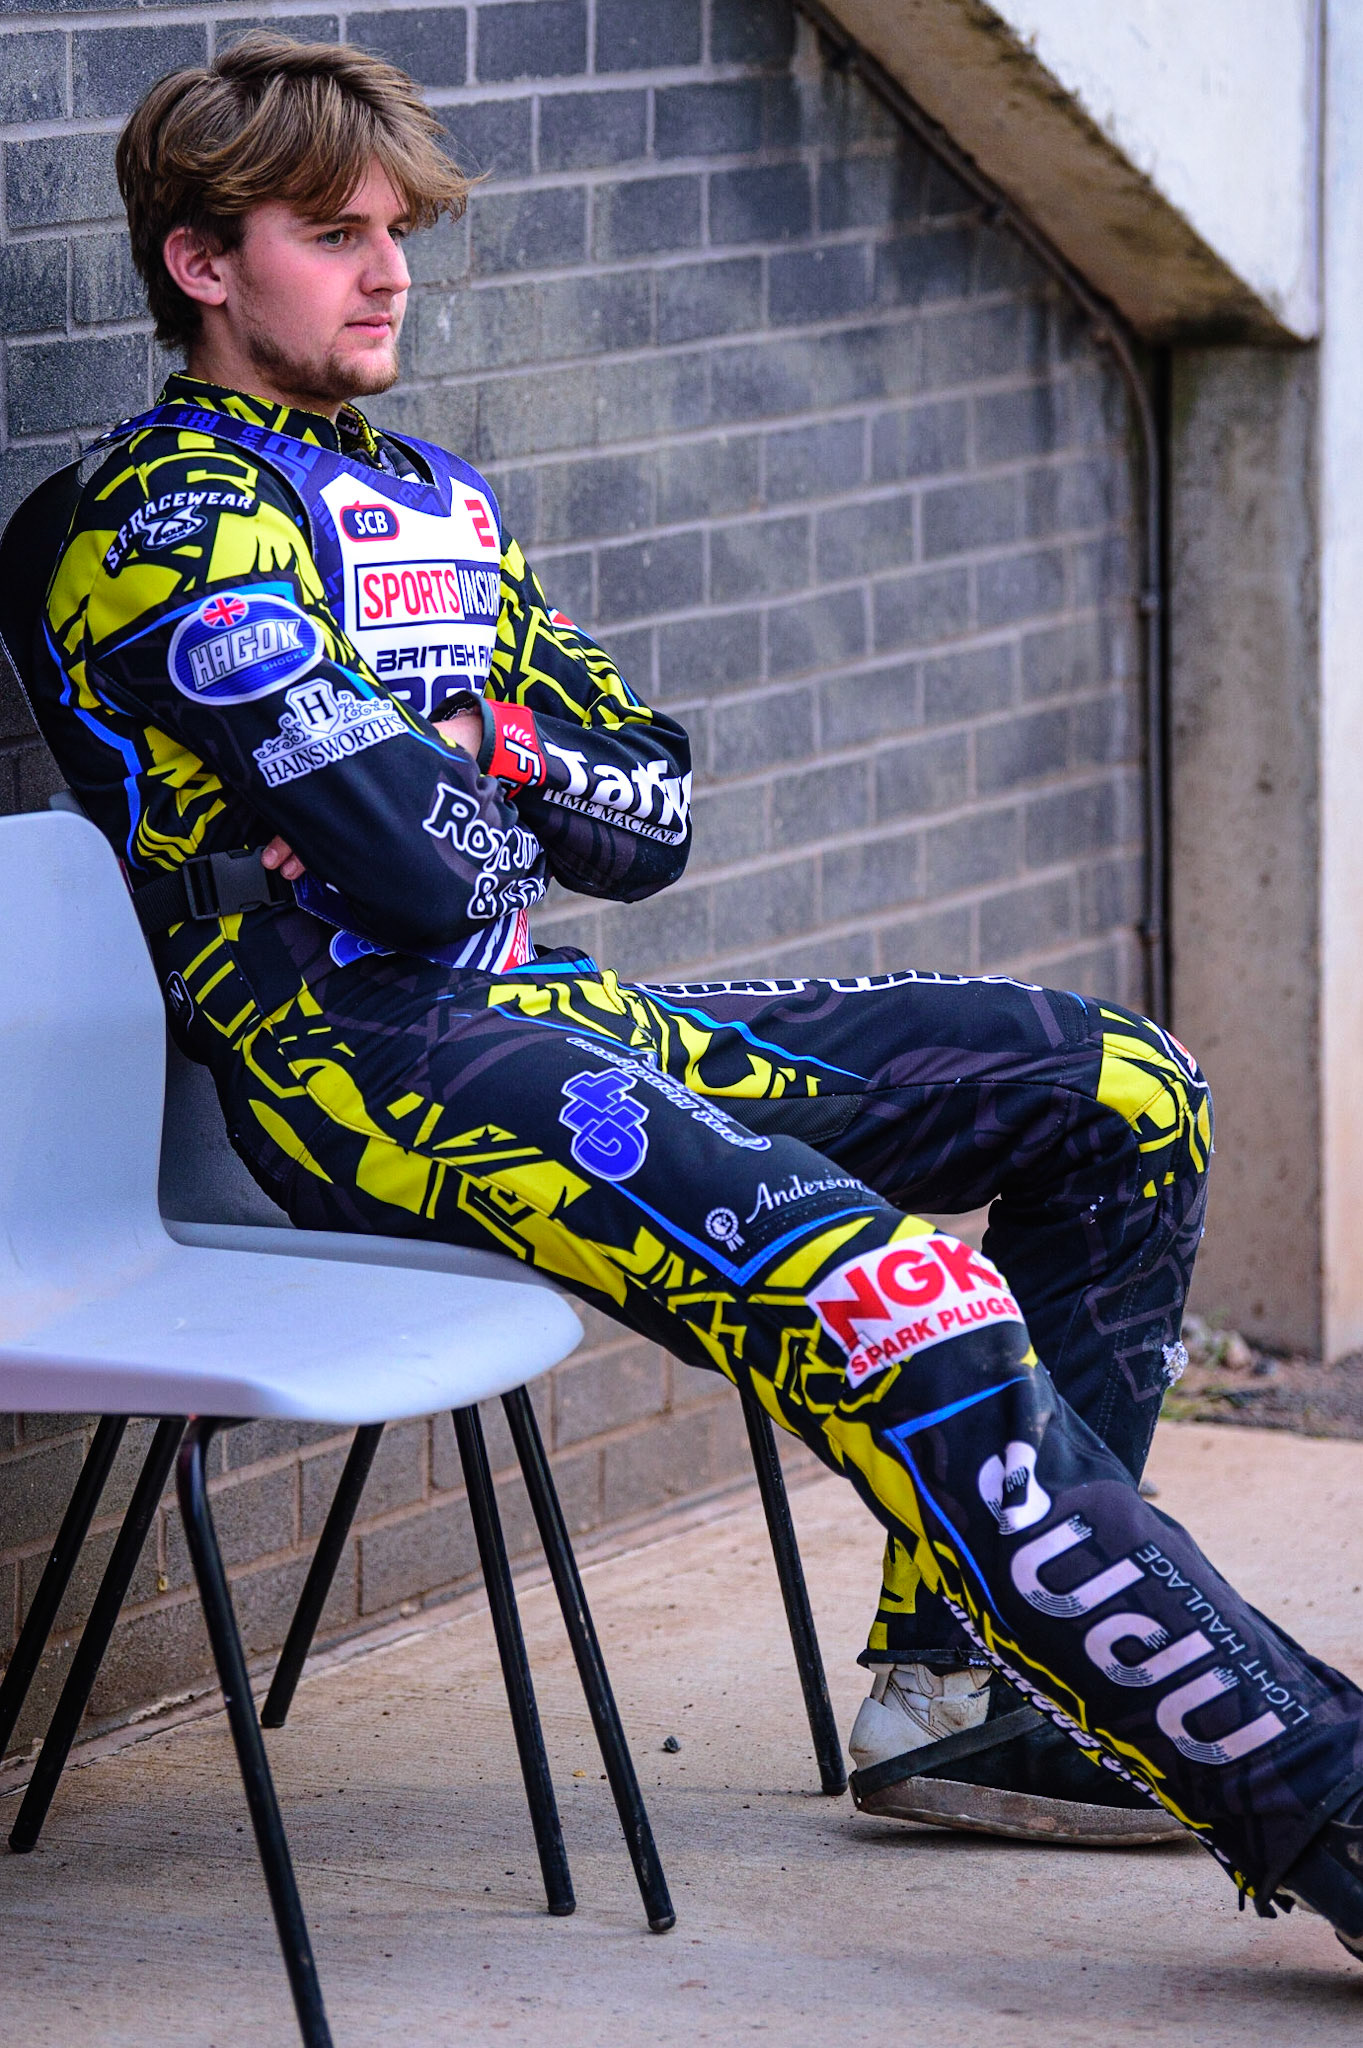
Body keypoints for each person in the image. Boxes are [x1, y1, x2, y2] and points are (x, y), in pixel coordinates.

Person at [27, 30, 1363, 1948]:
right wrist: (484, 784)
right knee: (889, 1285)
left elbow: (645, 809)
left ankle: (965, 1701)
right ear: (203, 264)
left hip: (540, 1019)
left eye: (402, 229)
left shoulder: (436, 502)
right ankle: (1317, 1796)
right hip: (343, 1075)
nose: (391, 268)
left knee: (1123, 1089)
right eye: (334, 232)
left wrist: (459, 753)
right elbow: (415, 874)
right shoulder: (149, 522)